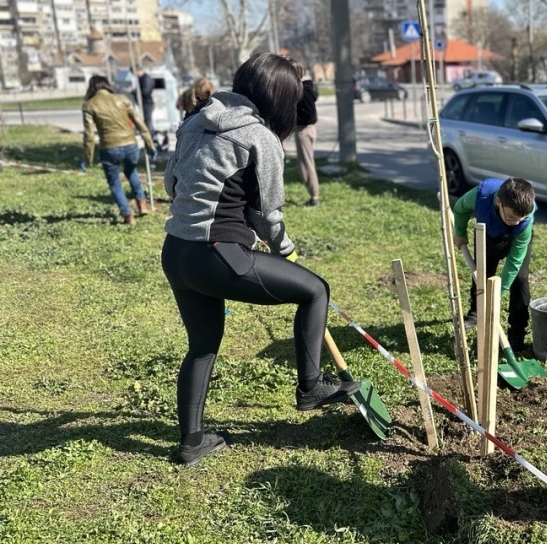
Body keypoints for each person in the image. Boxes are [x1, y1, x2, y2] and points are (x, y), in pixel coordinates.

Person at [161, 52, 360, 467]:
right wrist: (283, 247)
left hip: (176, 252)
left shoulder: (193, 122)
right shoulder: (259, 138)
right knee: (314, 291)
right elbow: (268, 214)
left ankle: (192, 441)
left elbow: (171, 183)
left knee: (202, 345)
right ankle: (310, 387)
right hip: (219, 254)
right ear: (281, 99)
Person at [451, 177, 536, 351]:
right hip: (487, 234)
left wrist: (496, 296)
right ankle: (475, 313)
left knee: (520, 278)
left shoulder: (523, 222)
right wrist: (459, 232)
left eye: (521, 217)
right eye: (512, 216)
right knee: (482, 272)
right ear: (498, 202)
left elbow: (513, 264)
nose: (517, 221)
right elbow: (460, 208)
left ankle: (517, 331)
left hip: (515, 239)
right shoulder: (481, 195)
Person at [81, 75, 156, 225]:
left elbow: (89, 135)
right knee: (131, 172)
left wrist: (87, 157)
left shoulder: (89, 105)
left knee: (114, 182)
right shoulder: (122, 99)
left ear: (92, 87)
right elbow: (139, 122)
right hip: (131, 146)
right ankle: (142, 203)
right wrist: (150, 145)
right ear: (107, 85)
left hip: (109, 148)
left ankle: (127, 215)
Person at [289, 60, 320, 207]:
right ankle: (314, 195)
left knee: (306, 164)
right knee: (307, 162)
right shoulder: (307, 87)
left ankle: (314, 196)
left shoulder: (298, 91)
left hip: (303, 130)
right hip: (310, 129)